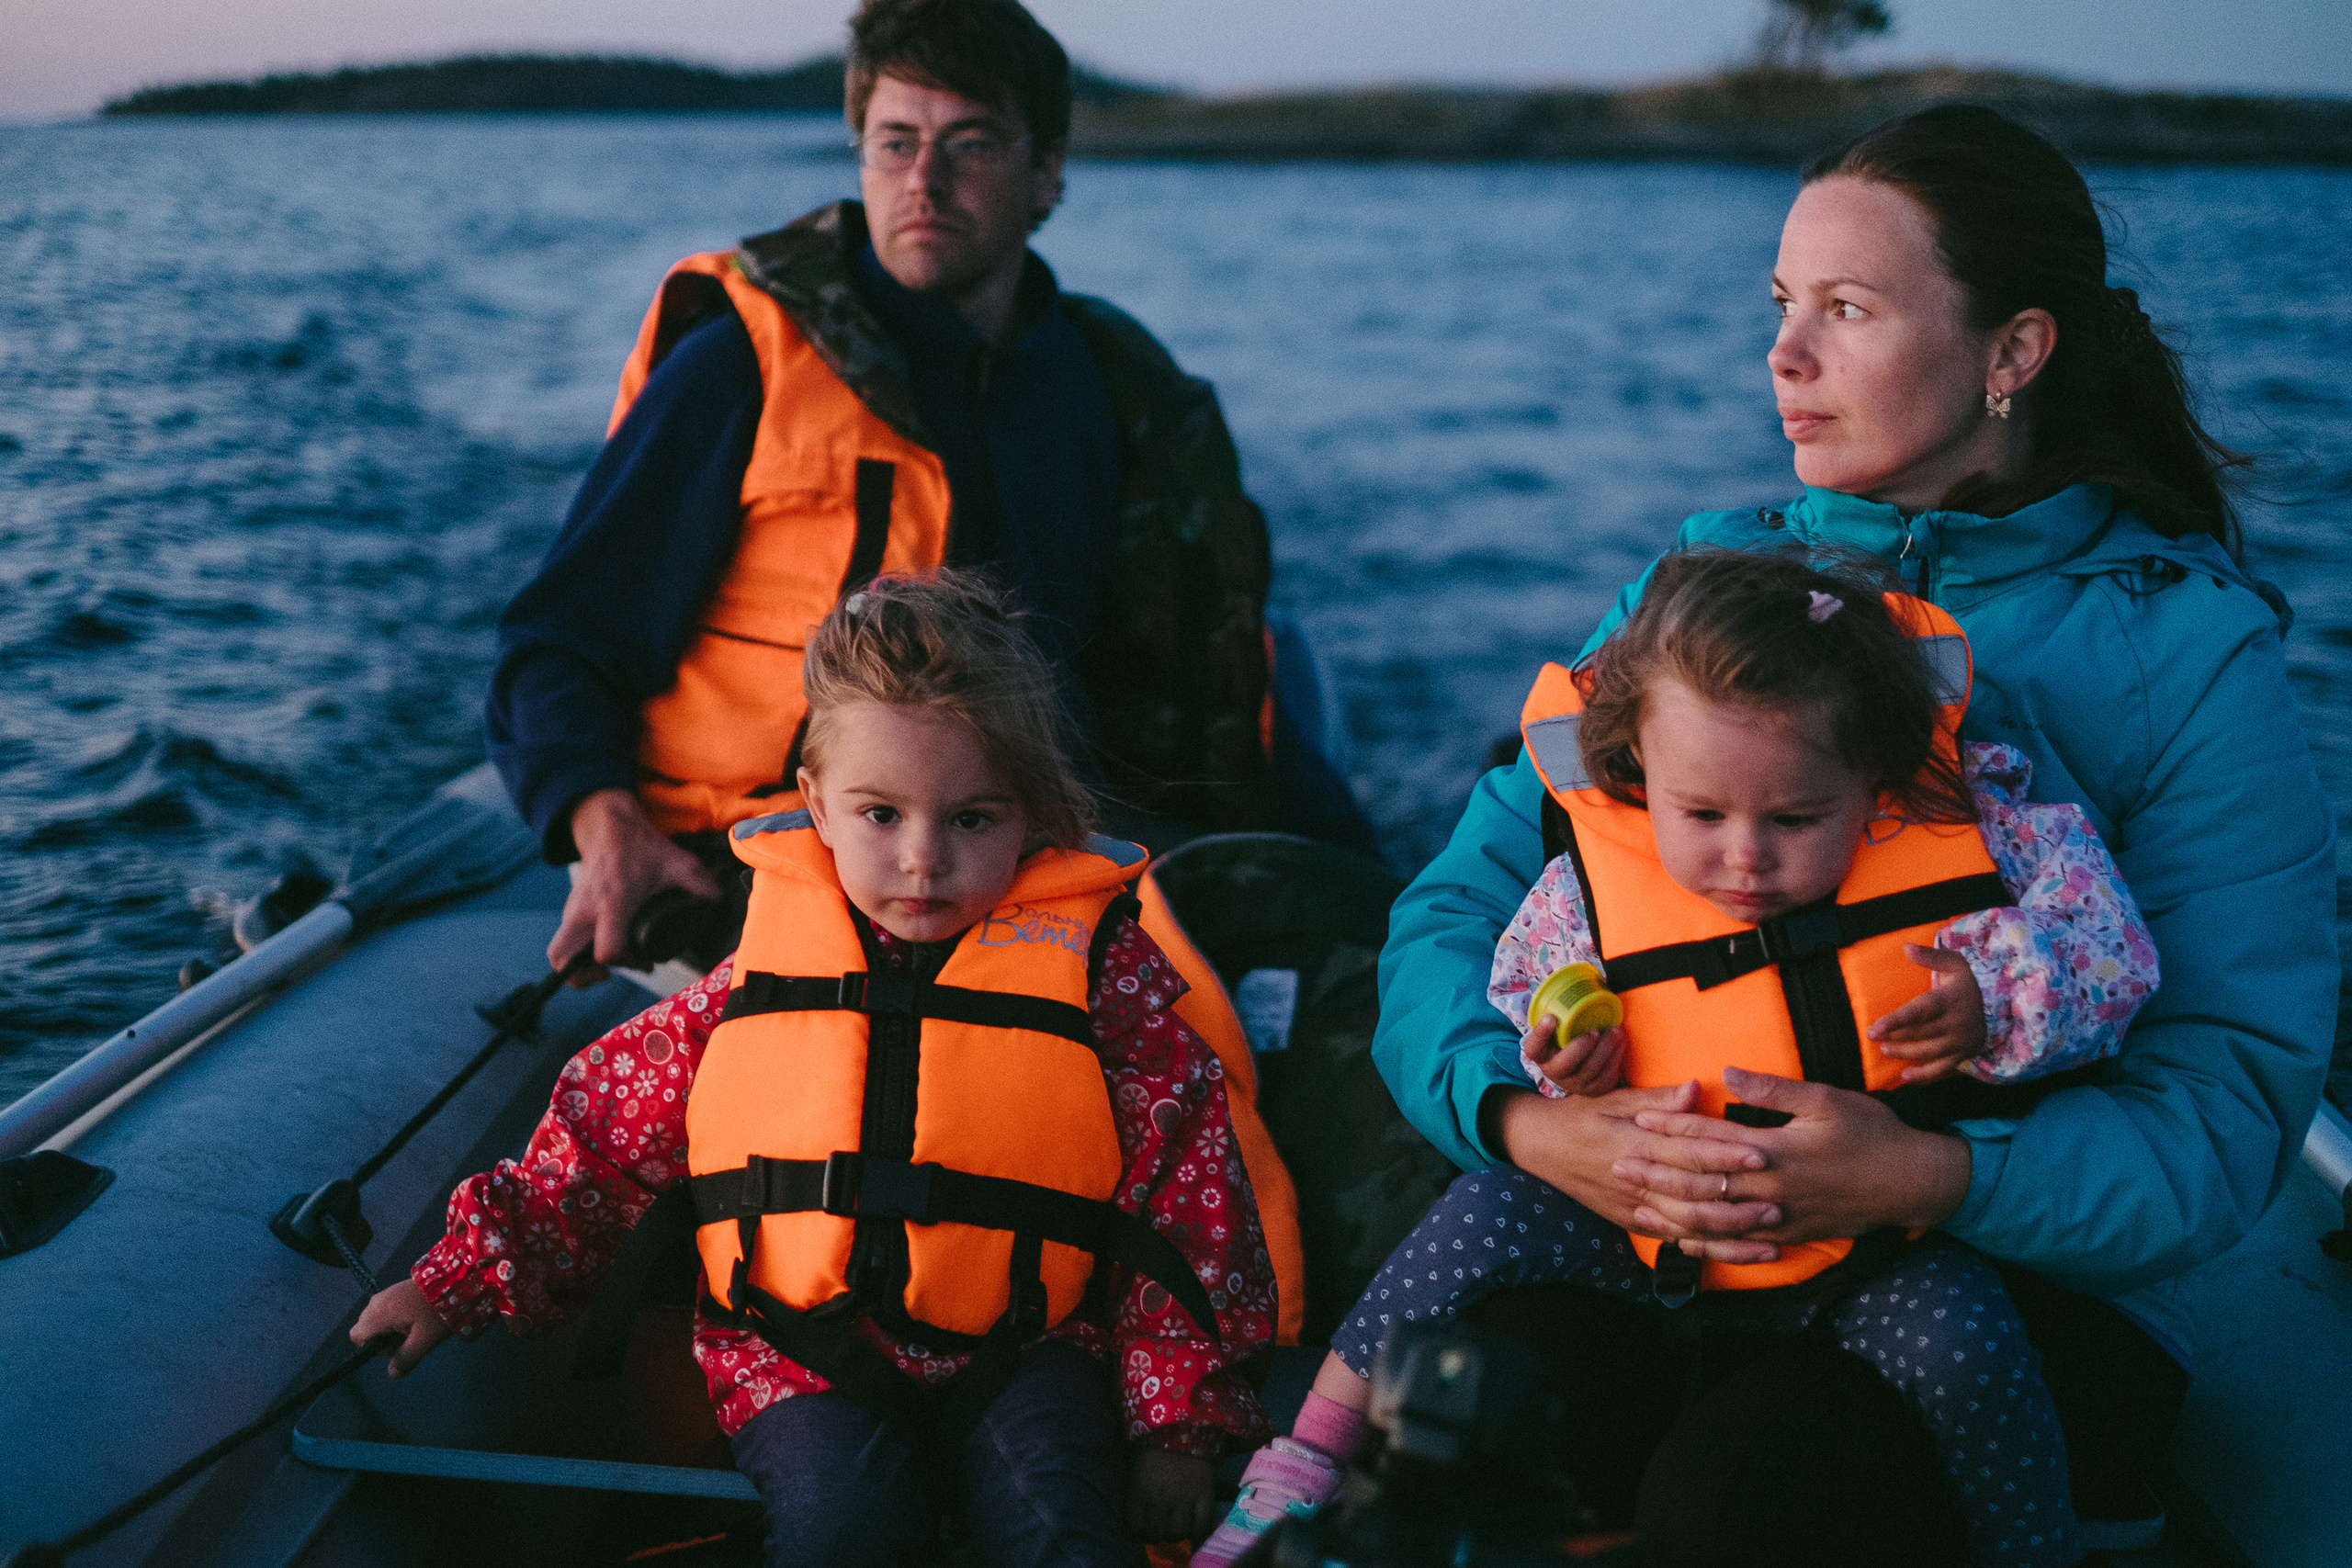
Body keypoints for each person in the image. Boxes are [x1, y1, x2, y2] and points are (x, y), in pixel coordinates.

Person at [1372, 104, 2336, 1563]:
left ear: (2014, 353)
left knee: (1748, 1498)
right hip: (1668, 1233)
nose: (1785, 355)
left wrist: (1923, 1171)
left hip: (2001, 1278)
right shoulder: (1695, 600)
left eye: (1847, 308)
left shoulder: (2187, 649)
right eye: (1780, 305)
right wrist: (1533, 1120)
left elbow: (2228, 1108)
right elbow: (1452, 914)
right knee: (1467, 1414)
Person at [1198, 551, 2158, 1568]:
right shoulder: (1591, 878)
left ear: (1873, 773)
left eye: (1792, 820)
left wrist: (1997, 997)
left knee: (1971, 1349)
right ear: (1642, 775)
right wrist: (1566, 1048)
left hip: (1876, 1256)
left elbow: (2113, 956)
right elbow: (1538, 983)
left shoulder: (1984, 824)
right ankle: (1300, 1465)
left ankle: (2035, 1548)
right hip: (1643, 1234)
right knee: (1475, 1218)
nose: (1743, 856)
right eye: (1701, 816)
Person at [355, 572, 1276, 1566]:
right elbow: (598, 1151)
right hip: (796, 1352)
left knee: (1062, 1533)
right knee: (842, 1534)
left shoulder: (1103, 987)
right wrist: (453, 1286)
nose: (923, 860)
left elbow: (1189, 1212)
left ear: (1034, 816)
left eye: (973, 819)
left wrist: (1177, 1431)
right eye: (881, 815)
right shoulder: (752, 981)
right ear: (816, 808)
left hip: (1030, 1350)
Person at [486, 0, 1366, 987]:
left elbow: (1178, 689)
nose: (923, 182)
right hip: (759, 860)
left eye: (970, 144)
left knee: (1322, 963)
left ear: (1046, 172)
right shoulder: (745, 362)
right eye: (893, 142)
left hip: (1006, 857)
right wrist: (603, 829)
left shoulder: (1116, 393)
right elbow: (557, 643)